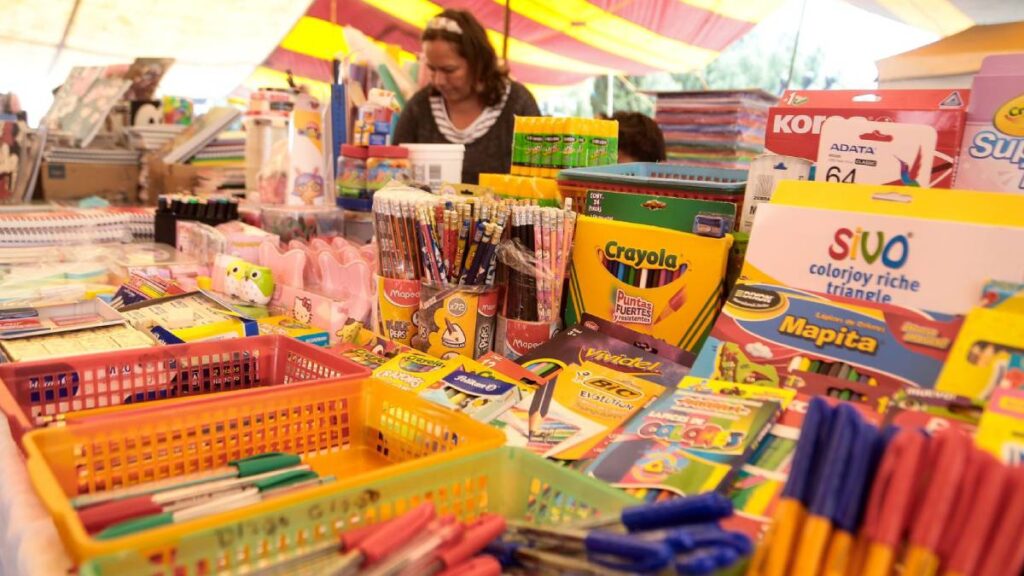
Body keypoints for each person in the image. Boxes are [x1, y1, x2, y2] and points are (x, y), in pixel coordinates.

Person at [394, 9, 540, 184]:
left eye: (449, 70)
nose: (439, 80)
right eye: (432, 68)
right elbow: (395, 169)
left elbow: (538, 177)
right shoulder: (419, 107)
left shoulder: (517, 104)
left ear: (478, 62)